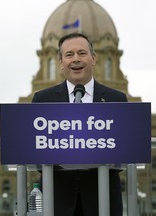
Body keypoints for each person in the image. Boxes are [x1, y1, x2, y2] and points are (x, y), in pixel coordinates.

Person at [32, 32, 127, 216]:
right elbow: (34, 153)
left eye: (82, 53)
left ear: (93, 58)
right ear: (60, 62)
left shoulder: (117, 99)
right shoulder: (42, 100)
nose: (76, 59)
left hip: (103, 200)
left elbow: (125, 153)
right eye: (69, 55)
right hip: (57, 200)